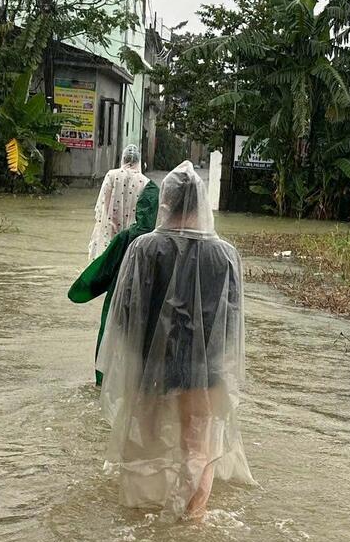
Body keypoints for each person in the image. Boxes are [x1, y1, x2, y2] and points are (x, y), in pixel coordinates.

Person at [98, 163, 252, 519]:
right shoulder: (226, 255)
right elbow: (231, 323)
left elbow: (125, 314)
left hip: (152, 365)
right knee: (198, 446)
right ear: (201, 204)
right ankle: (193, 517)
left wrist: (137, 360)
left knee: (143, 439)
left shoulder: (144, 249)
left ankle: (142, 511)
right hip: (205, 369)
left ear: (165, 202)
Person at [67, 174, 159, 384]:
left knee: (113, 345)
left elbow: (102, 270)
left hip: (121, 301)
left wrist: (81, 290)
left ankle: (104, 384)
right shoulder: (167, 241)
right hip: (153, 305)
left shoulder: (127, 237)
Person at [88, 144, 148, 260]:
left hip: (110, 229)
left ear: (123, 158)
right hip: (132, 235)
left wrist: (110, 224)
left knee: (108, 262)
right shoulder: (145, 182)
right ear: (139, 161)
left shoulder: (111, 175)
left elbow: (105, 203)